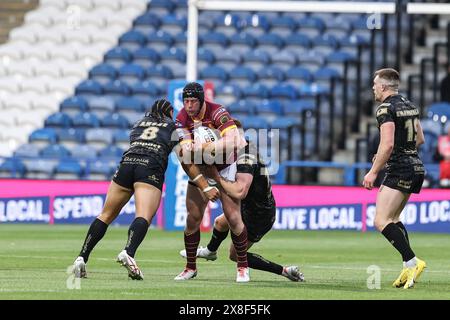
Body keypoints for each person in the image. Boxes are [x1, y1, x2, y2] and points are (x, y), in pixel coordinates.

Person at [71, 99, 219, 280]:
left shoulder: (138, 125)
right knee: (143, 216)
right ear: (168, 112)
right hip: (149, 167)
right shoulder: (173, 127)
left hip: (126, 164)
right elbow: (186, 160)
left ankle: (81, 258)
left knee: (105, 215)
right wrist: (204, 186)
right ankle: (128, 252)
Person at [180, 123, 305, 282]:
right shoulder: (239, 151)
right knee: (220, 223)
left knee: (235, 255)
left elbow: (239, 192)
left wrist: (216, 177)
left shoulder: (247, 156)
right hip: (247, 206)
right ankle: (210, 251)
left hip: (259, 214)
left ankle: (284, 271)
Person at [174, 82, 250, 282]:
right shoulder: (181, 117)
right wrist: (205, 183)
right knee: (193, 218)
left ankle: (242, 267)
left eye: (193, 101)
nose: (189, 106)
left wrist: (206, 146)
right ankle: (190, 267)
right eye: (186, 101)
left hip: (225, 167)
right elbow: (185, 152)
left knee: (233, 217)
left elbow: (234, 141)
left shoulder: (218, 112)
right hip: (201, 169)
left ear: (202, 100)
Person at [363, 68, 427, 289]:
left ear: (383, 86)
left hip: (399, 169)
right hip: (416, 167)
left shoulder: (385, 108)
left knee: (380, 221)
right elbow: (420, 139)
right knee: (395, 218)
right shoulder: (410, 105)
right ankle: (407, 266)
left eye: (375, 84)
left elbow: (387, 144)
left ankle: (412, 261)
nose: (373, 88)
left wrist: (373, 170)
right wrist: (396, 152)